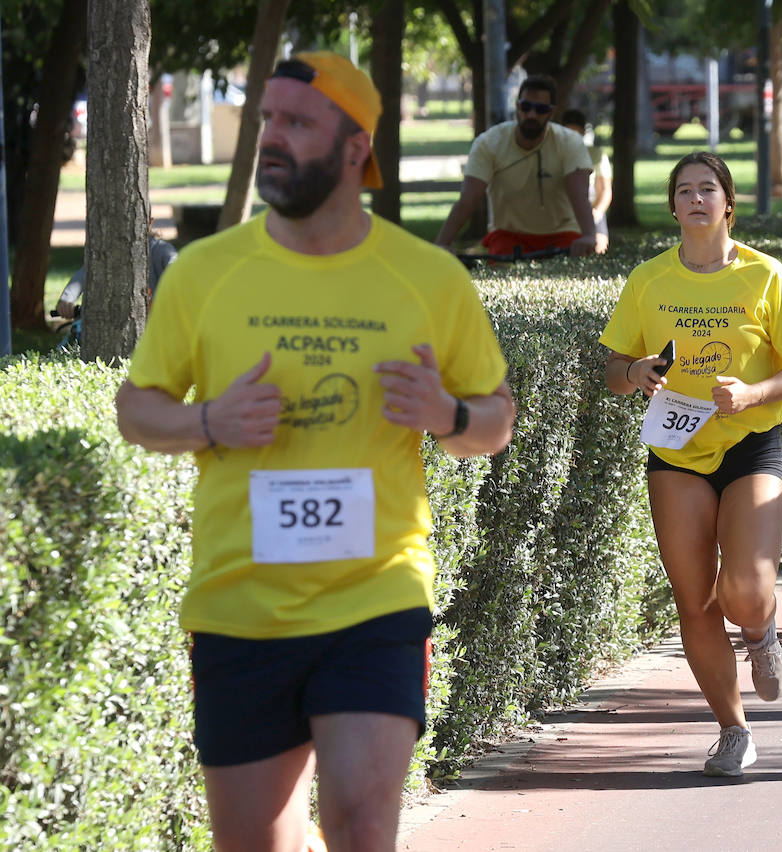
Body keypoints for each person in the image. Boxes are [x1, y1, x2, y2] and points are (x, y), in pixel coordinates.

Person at [114, 52, 516, 850]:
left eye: (296, 122)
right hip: (241, 603)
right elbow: (136, 410)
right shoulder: (206, 274)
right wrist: (207, 424)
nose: (271, 138)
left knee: (362, 824)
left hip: (376, 594)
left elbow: (495, 422)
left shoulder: (426, 279)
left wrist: (445, 411)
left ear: (355, 147)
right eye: (267, 119)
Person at [599, 151, 782, 777]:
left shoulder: (764, 276)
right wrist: (635, 371)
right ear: (673, 205)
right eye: (684, 190)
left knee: (746, 591)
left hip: (749, 440)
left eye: (708, 189)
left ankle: (761, 631)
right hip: (674, 447)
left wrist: (752, 393)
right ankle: (733, 729)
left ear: (728, 203)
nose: (696, 199)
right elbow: (614, 369)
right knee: (693, 600)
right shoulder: (648, 280)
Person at [435, 75, 607, 258]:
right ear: (517, 106)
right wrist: (442, 244)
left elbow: (578, 194)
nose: (531, 115)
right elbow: (468, 199)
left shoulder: (570, 142)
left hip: (563, 235)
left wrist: (589, 236)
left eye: (540, 109)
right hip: (508, 235)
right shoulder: (489, 142)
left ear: (551, 112)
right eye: (526, 107)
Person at [55, 217, 179, 346]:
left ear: (149, 222)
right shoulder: (107, 252)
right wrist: (67, 299)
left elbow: (176, 271)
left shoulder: (160, 249)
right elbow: (85, 274)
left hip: (155, 327)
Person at [560, 108, 611, 241]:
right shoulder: (554, 155)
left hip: (592, 212)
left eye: (575, 133)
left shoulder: (596, 155)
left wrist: (597, 213)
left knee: (599, 246)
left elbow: (605, 190)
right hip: (562, 215)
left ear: (582, 132)